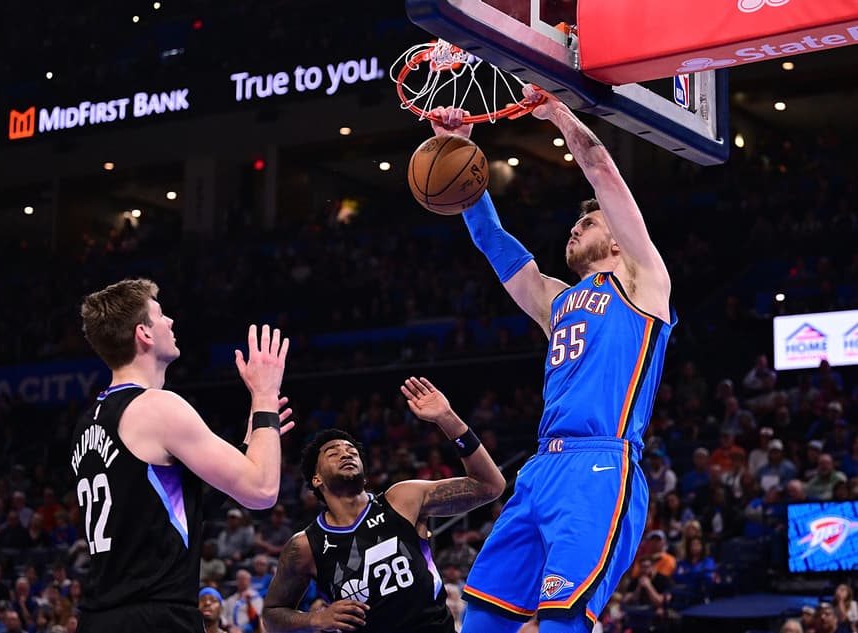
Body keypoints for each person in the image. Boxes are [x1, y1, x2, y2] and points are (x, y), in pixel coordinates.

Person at [432, 86, 676, 633]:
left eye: (588, 223)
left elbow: (602, 173)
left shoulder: (643, 283)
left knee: (563, 621)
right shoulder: (555, 302)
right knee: (483, 617)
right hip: (541, 468)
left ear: (617, 239)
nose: (576, 226)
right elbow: (494, 242)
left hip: (599, 465)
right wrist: (458, 156)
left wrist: (557, 112)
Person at [73, 279, 293, 632]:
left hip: (100, 617)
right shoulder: (158, 407)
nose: (171, 322)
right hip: (155, 617)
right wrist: (265, 395)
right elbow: (262, 491)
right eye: (161, 314)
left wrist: (252, 441)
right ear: (144, 333)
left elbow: (181, 508)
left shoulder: (89, 422)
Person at [262, 377, 505, 633]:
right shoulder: (304, 546)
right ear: (316, 479)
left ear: (365, 475)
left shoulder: (402, 499)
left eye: (352, 452)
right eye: (333, 453)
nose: (346, 453)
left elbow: (490, 486)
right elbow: (271, 615)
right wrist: (315, 619)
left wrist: (447, 418)